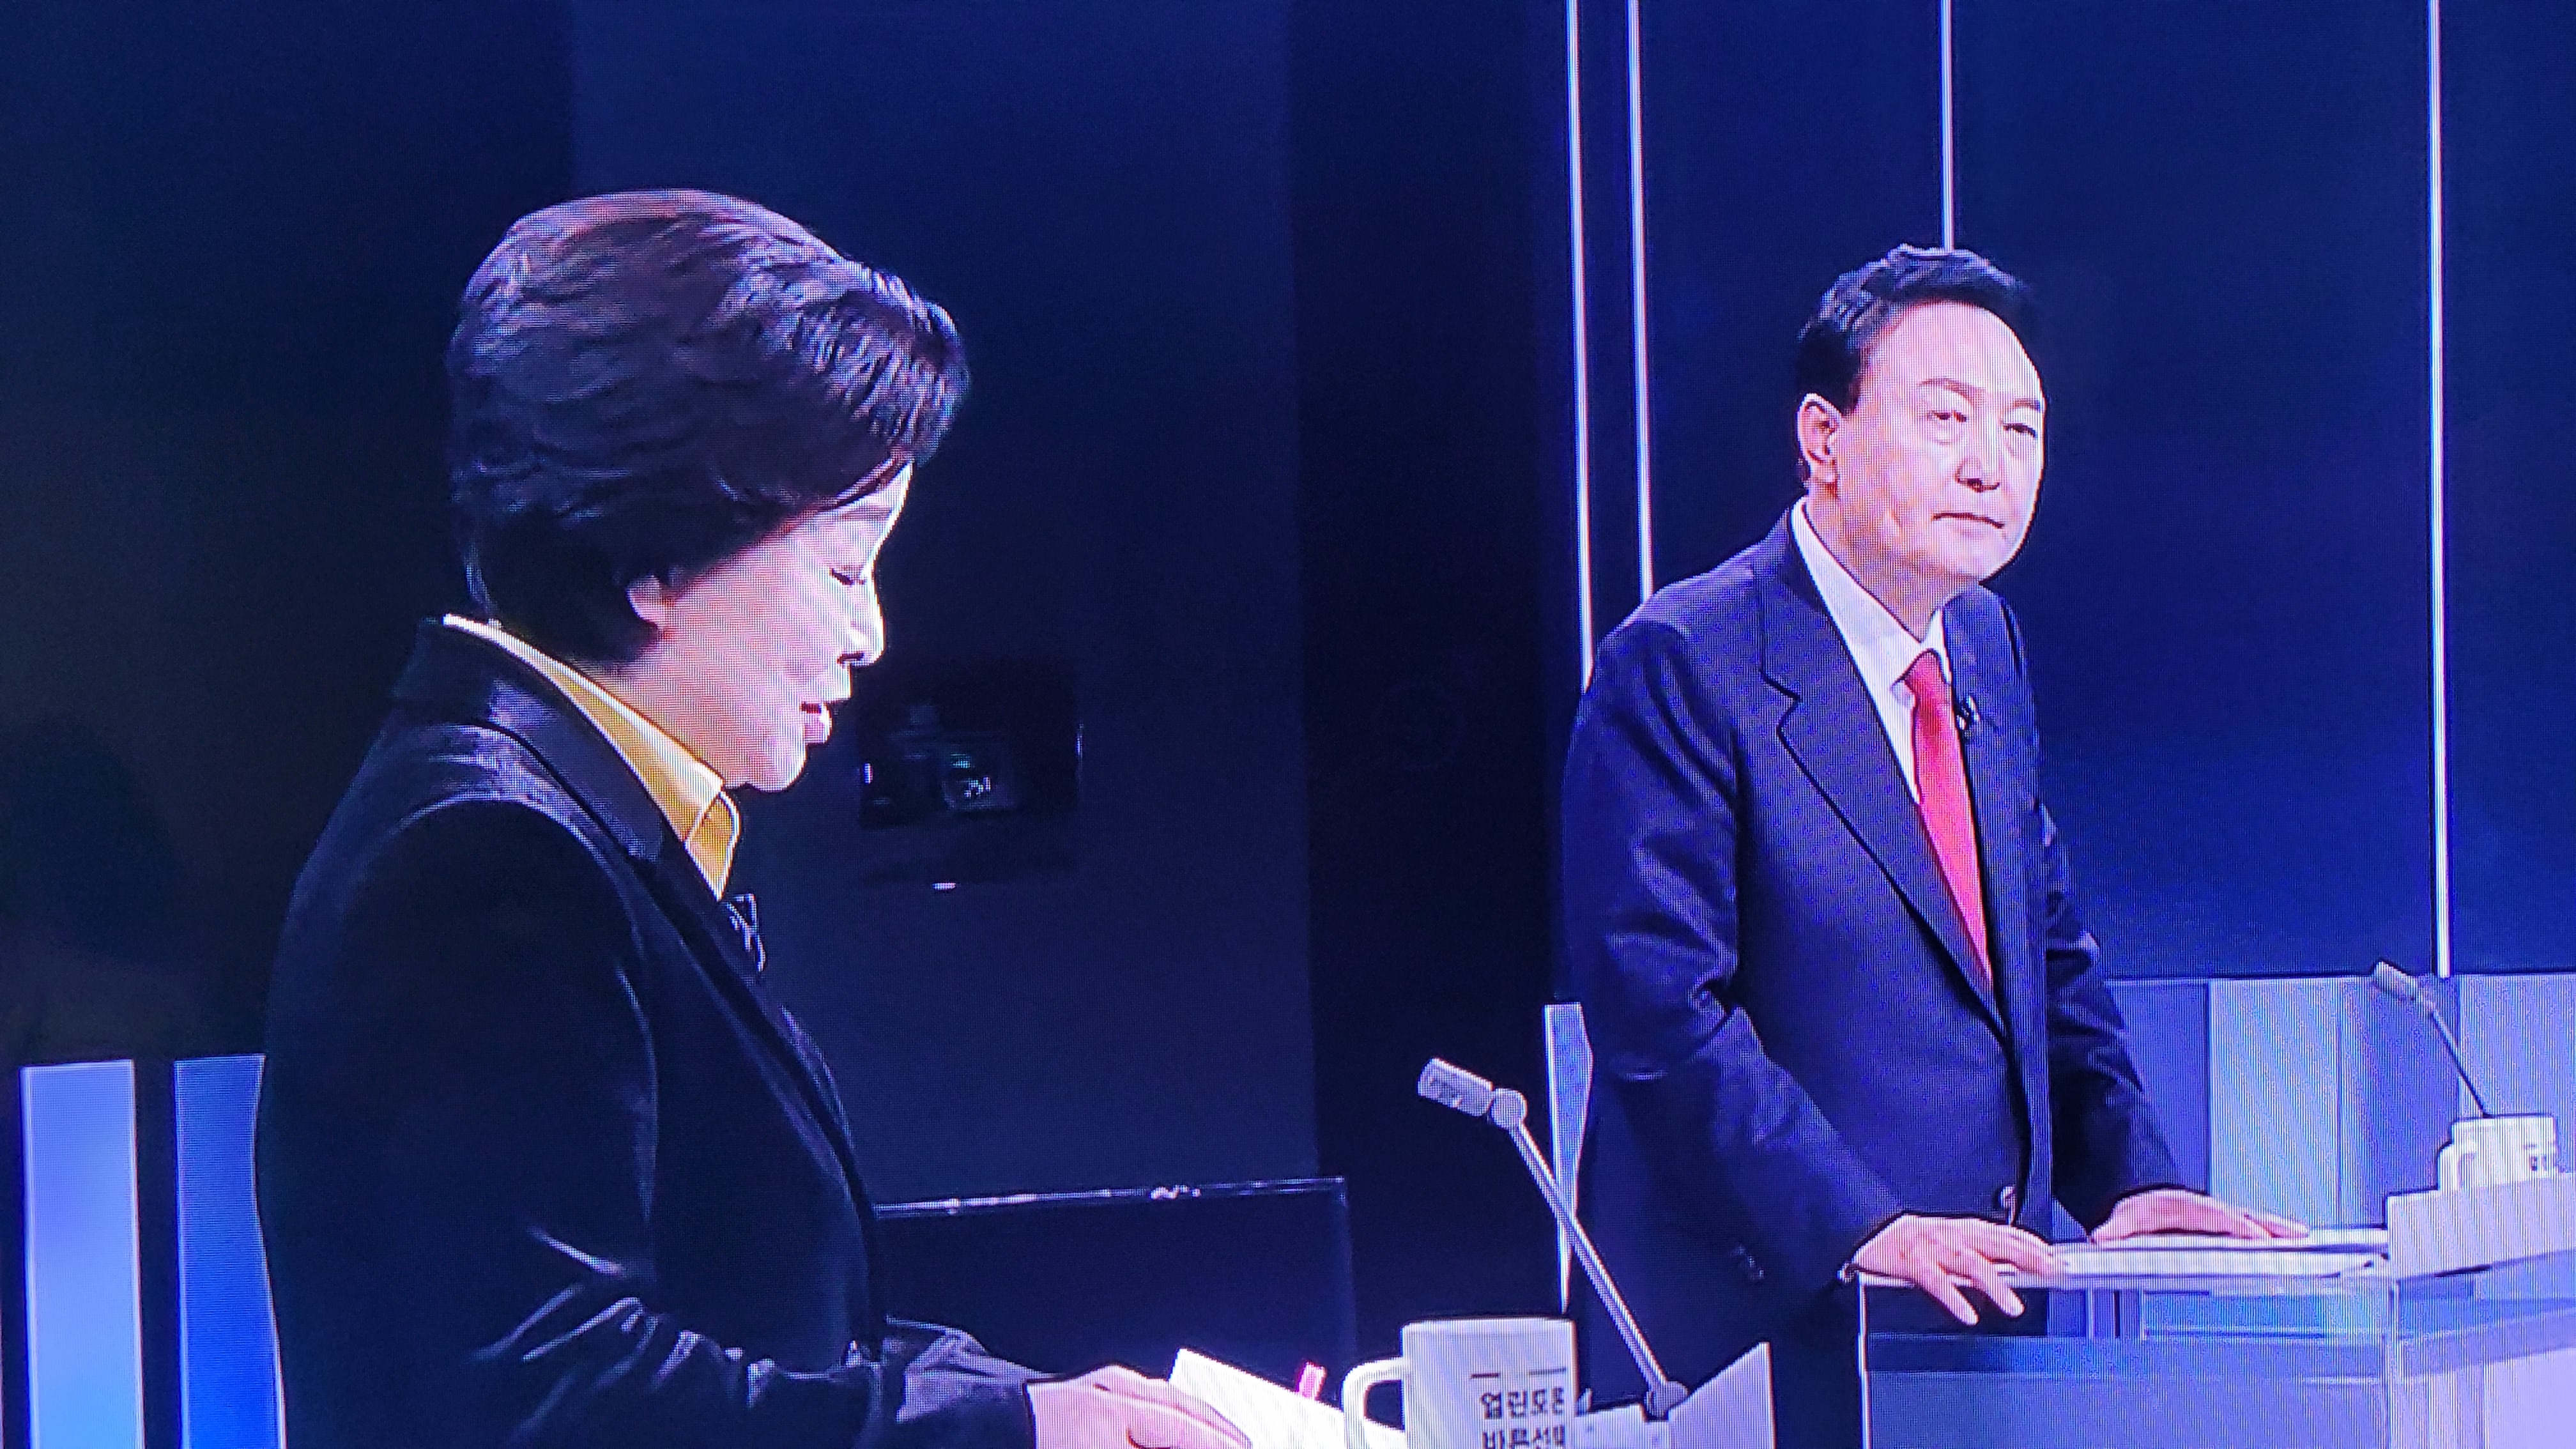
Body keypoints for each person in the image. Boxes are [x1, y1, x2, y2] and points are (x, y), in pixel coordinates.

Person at [257, 190, 1248, 1449]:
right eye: (842, 567)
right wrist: (1010, 1434)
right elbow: (553, 1399)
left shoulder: (574, 825)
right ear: (656, 560)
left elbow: (767, 1327)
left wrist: (1046, 1405)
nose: (870, 632)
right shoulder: (486, 853)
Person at [1560, 246, 2301, 1447]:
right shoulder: (1685, 662)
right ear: (1824, 437)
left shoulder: (1985, 646)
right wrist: (1864, 1226)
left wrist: (2133, 1181)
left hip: (1974, 1334)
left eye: (2022, 430)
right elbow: (1660, 1016)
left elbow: (2040, 960)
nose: (1988, 465)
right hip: (1764, 1344)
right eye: (1946, 418)